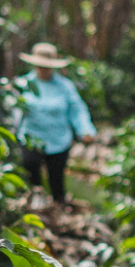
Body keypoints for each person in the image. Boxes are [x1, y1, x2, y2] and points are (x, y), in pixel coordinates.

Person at [14, 42, 95, 205]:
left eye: (46, 66)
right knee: (31, 174)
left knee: (56, 179)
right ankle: (33, 208)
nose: (43, 69)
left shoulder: (65, 87)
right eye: (40, 66)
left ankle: (59, 207)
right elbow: (14, 110)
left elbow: (77, 109)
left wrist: (85, 130)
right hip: (31, 138)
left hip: (58, 140)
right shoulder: (23, 84)